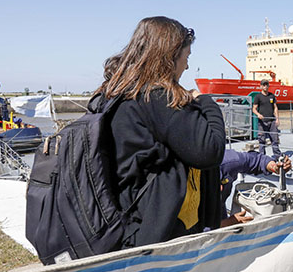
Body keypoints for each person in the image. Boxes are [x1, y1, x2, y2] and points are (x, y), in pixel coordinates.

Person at [95, 16, 246, 249]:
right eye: (186, 57)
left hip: (127, 223)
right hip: (157, 236)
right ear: (169, 58)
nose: (186, 66)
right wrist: (207, 103)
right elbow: (211, 152)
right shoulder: (157, 98)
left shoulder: (116, 93)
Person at [220, 150, 292, 202]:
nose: (220, 188)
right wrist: (227, 222)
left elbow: (257, 160)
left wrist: (274, 167)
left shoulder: (229, 161)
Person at [252, 79, 281, 157]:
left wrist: (277, 118)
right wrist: (258, 114)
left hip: (272, 121)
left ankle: (277, 156)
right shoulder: (258, 97)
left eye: (266, 85)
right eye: (264, 85)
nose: (265, 86)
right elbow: (254, 108)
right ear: (261, 86)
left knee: (274, 140)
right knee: (262, 140)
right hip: (262, 122)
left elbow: (275, 107)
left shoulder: (272, 96)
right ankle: (262, 157)